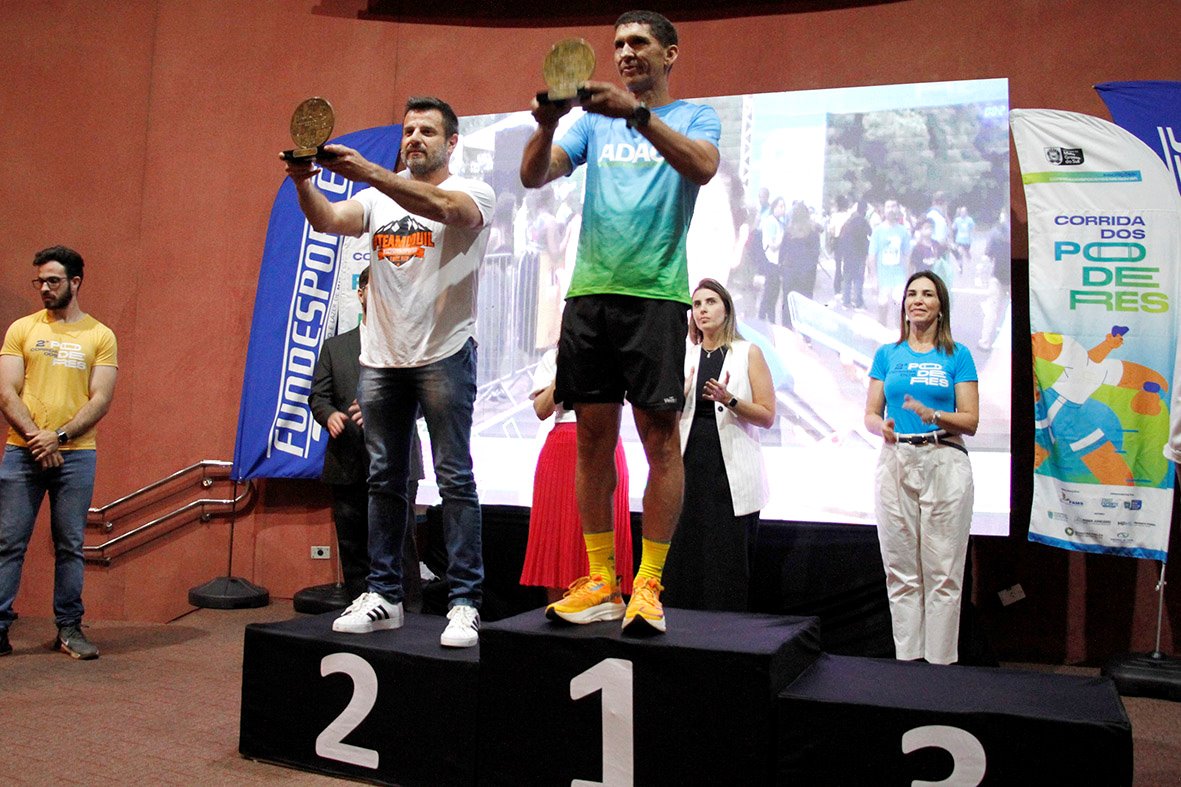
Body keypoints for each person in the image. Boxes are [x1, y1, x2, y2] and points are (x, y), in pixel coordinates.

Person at [520, 9, 721, 633]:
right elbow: (533, 175)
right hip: (589, 296)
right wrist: (546, 124)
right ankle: (603, 580)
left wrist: (635, 115)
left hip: (656, 296)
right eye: (618, 45)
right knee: (591, 441)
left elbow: (702, 167)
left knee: (661, 441)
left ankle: (649, 583)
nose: (626, 52)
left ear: (670, 54)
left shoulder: (694, 117)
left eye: (639, 42)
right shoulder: (590, 125)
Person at [283, 96, 494, 648]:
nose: (414, 138)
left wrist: (371, 171)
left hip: (444, 353)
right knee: (383, 481)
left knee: (454, 479)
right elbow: (329, 219)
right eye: (408, 131)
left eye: (427, 131)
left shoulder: (474, 191)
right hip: (381, 360)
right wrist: (304, 182)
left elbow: (446, 210)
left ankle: (465, 602)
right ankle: (384, 595)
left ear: (452, 142)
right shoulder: (376, 199)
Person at [0, 246, 118, 660]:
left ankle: (69, 628)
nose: (44, 288)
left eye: (53, 281)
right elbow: (6, 390)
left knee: (70, 545)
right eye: (40, 281)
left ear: (75, 282)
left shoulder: (100, 336)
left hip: (76, 456)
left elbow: (101, 398)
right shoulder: (22, 329)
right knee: (8, 543)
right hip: (22, 452)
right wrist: (38, 437)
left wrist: (60, 438)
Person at [864, 271, 978, 665]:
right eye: (912, 294)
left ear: (940, 306)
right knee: (900, 572)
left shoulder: (957, 355)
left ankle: (939, 670)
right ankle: (908, 668)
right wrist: (881, 427)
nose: (918, 300)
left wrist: (934, 414)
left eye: (927, 294)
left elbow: (971, 420)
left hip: (943, 458)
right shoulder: (887, 354)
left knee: (943, 574)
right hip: (896, 460)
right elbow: (870, 413)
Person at [309, 266, 426, 605]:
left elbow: (424, 401)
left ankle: (410, 614)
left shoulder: (409, 345)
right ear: (360, 294)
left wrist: (381, 409)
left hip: (397, 460)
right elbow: (319, 396)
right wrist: (329, 414)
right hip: (347, 461)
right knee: (353, 544)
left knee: (400, 543)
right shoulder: (335, 347)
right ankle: (360, 606)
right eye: (374, 288)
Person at [663, 279, 774, 611]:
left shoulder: (748, 352)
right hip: (688, 468)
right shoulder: (684, 355)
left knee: (726, 561)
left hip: (731, 472)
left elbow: (767, 415)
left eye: (710, 302)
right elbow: (663, 419)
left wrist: (731, 400)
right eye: (697, 304)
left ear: (726, 309)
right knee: (684, 557)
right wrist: (676, 397)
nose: (702, 310)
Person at [519, 348, 633, 601]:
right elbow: (541, 409)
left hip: (606, 440)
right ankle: (558, 615)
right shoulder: (553, 357)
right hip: (562, 445)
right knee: (559, 540)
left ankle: (606, 607)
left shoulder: (616, 353)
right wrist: (564, 371)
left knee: (605, 531)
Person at [780, 201, 822, 328]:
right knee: (805, 303)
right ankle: (805, 332)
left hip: (790, 272)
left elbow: (782, 253)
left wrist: (782, 268)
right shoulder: (813, 233)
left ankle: (787, 329)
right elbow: (815, 254)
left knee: (788, 303)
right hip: (807, 275)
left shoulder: (789, 232)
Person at [836, 199, 871, 309]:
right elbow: (870, 233)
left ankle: (846, 301)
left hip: (848, 253)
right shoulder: (863, 222)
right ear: (864, 209)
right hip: (860, 253)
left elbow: (842, 236)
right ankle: (858, 301)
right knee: (858, 278)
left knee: (847, 277)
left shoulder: (849, 221)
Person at [757, 196, 786, 322]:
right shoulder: (770, 222)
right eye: (780, 206)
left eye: (783, 206)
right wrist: (782, 239)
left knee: (774, 291)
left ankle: (769, 316)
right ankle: (763, 316)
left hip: (777, 261)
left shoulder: (780, 223)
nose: (782, 209)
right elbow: (772, 245)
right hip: (771, 260)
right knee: (770, 291)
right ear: (774, 207)